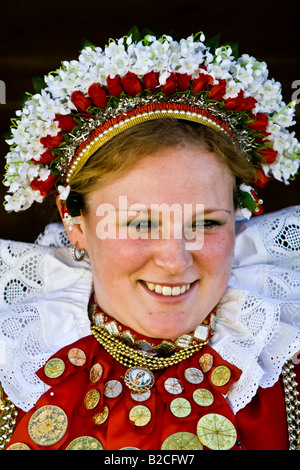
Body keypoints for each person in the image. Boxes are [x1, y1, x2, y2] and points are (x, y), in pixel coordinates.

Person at [0, 28, 300, 451]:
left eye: (207, 224)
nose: (176, 260)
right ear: (75, 222)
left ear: (239, 218)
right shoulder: (14, 360)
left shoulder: (282, 361)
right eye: (140, 224)